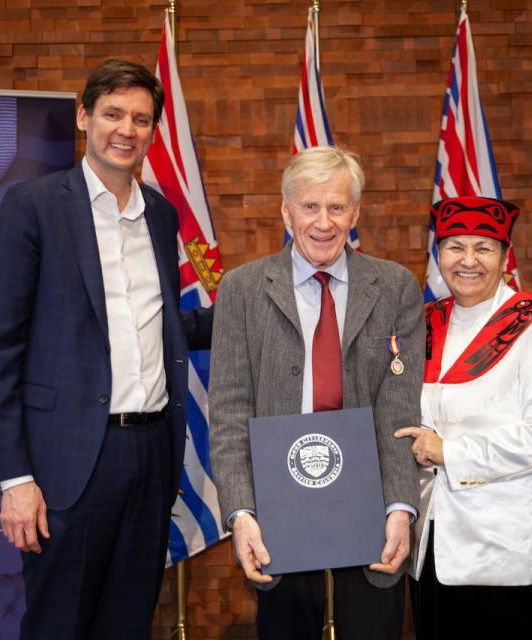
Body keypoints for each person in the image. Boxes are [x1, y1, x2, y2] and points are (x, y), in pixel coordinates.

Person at [0, 59, 213, 638]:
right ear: (84, 117)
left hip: (152, 455)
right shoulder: (33, 206)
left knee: (128, 622)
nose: (126, 129)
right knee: (60, 623)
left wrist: (261, 299)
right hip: (68, 466)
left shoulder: (159, 214)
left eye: (140, 118)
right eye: (112, 114)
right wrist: (15, 479)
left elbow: (156, 325)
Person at [208, 146, 423, 640]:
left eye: (336, 207)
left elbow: (399, 407)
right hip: (278, 503)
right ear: (285, 211)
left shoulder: (394, 287)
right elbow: (229, 411)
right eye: (309, 206)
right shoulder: (242, 290)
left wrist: (400, 509)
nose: (323, 222)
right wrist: (241, 513)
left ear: (356, 212)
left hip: (370, 503)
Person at [397, 196, 532, 639]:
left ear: (505, 255)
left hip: (502, 550)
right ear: (437, 255)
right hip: (430, 544)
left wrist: (449, 451)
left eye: (484, 247)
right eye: (455, 247)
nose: (468, 261)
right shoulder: (423, 322)